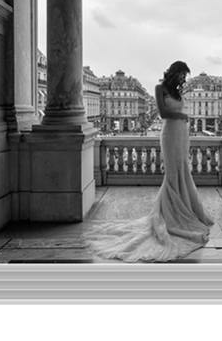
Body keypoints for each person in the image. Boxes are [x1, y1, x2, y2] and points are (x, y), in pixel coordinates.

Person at [84, 61, 215, 262]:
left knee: (183, 170)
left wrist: (183, 118)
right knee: (172, 172)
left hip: (182, 133)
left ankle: (186, 208)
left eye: (185, 77)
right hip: (170, 132)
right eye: (181, 75)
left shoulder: (179, 91)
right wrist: (182, 115)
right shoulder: (159, 88)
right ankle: (170, 213)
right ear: (174, 72)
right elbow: (163, 113)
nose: (183, 79)